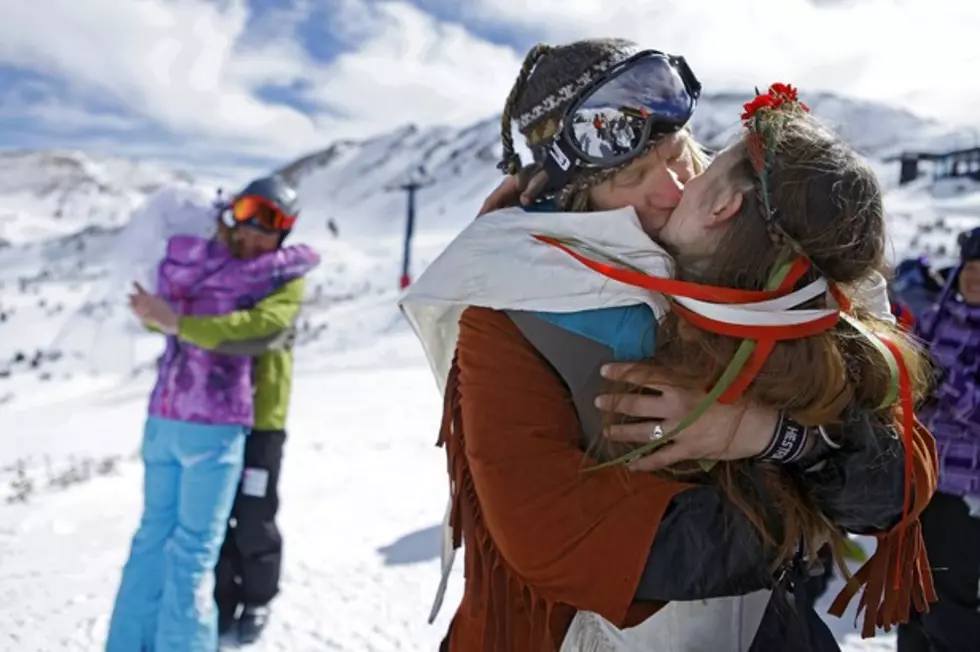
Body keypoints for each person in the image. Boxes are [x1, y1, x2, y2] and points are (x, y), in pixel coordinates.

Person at [402, 39, 937, 651]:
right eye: (634, 176)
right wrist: (804, 505)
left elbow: (895, 478)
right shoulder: (512, 305)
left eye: (679, 153)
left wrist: (771, 433)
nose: (675, 188)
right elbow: (558, 537)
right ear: (574, 197)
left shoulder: (756, 230)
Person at [104, 181, 320, 652]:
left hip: (261, 418)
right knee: (203, 535)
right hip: (218, 423)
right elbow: (159, 305)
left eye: (269, 224)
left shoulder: (282, 277)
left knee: (254, 515)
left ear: (284, 233)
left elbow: (262, 330)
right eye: (247, 215)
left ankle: (256, 599)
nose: (253, 234)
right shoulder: (217, 263)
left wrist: (173, 319)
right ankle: (212, 611)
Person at [896, 227, 980, 652]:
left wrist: (944, 378)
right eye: (970, 268)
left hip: (965, 491)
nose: (974, 278)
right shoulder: (937, 319)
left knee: (948, 600)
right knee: (907, 595)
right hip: (919, 477)